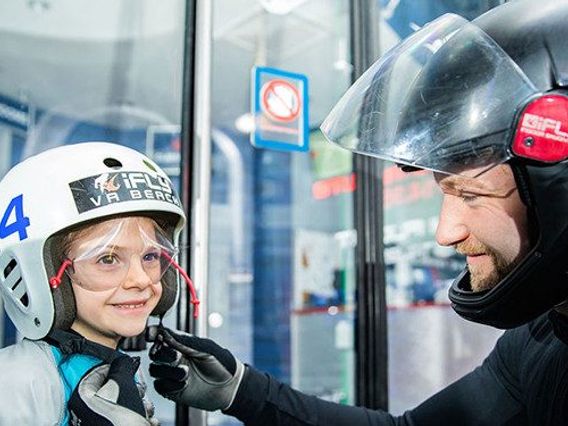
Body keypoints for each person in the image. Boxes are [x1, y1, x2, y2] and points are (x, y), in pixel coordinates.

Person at [147, 0, 568, 424]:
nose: (446, 231)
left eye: (472, 194)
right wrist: (241, 390)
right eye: (446, 193)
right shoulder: (541, 338)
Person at [0, 142, 199, 425]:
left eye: (151, 256)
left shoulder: (116, 368)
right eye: (107, 259)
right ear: (40, 272)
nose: (141, 280)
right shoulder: (18, 383)